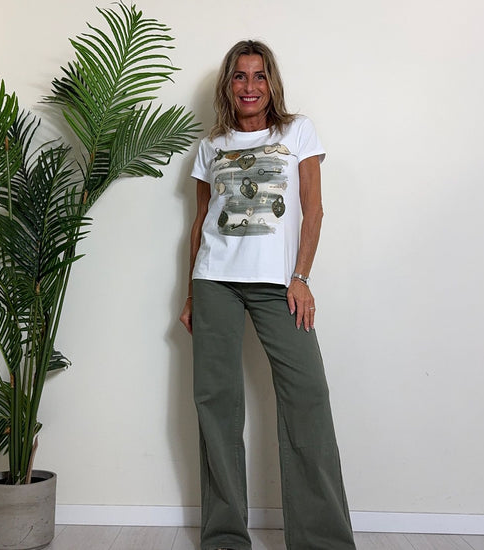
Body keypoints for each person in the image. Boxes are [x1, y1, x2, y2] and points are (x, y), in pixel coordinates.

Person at [179, 40, 356, 550]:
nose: (249, 86)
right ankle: (224, 538)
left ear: (271, 83)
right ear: (228, 84)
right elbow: (201, 222)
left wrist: (301, 277)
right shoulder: (211, 145)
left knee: (307, 397)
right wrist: (190, 293)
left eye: (259, 76)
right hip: (214, 282)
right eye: (240, 76)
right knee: (216, 404)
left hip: (279, 284)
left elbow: (313, 210)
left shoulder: (297, 131)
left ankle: (322, 541)